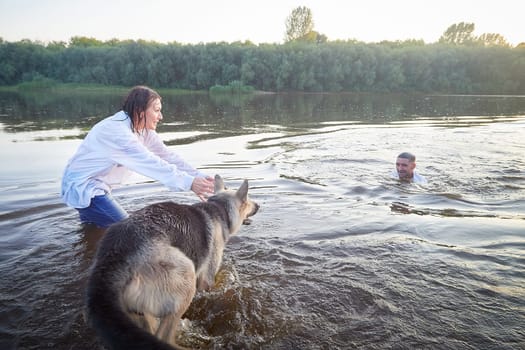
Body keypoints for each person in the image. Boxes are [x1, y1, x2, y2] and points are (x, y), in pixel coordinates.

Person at [61, 85, 215, 228]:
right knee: (130, 233)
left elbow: (168, 156)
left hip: (96, 185)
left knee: (95, 233)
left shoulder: (143, 130)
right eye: (156, 110)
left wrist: (200, 177)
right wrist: (189, 182)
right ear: (140, 111)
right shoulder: (118, 132)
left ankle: (88, 253)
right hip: (85, 188)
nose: (160, 116)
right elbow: (151, 163)